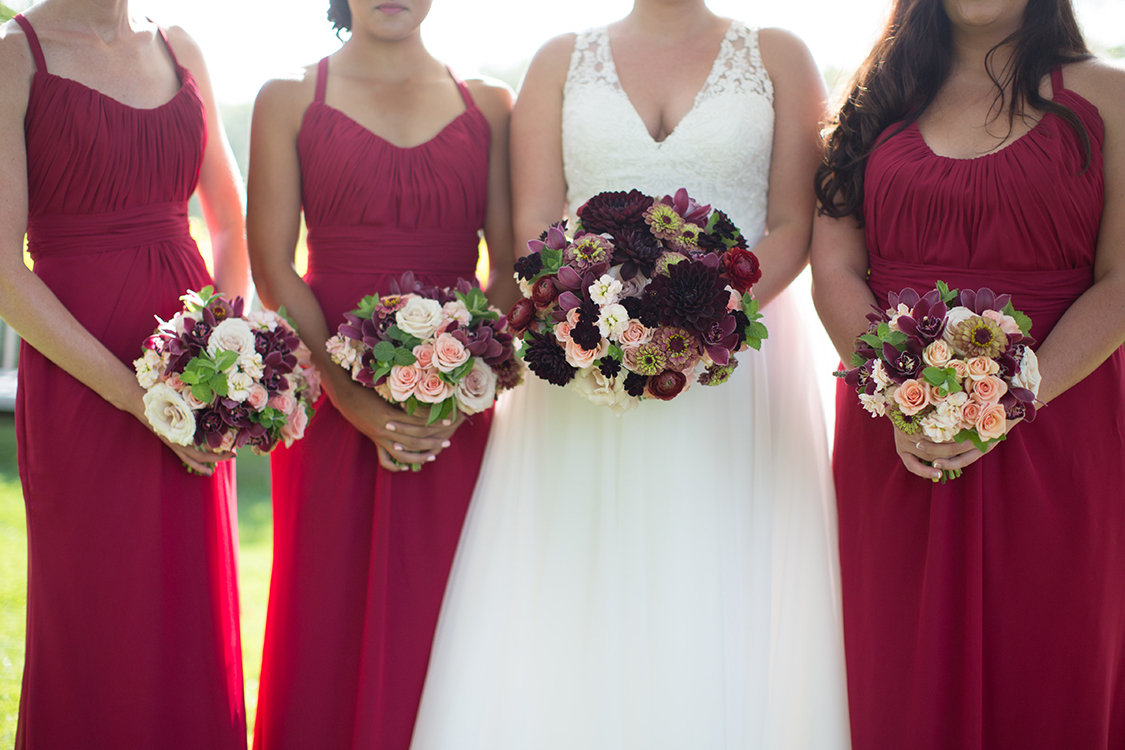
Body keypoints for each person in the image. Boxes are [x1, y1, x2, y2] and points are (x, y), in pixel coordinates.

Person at [409, 2, 850, 747]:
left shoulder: (778, 54)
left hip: (730, 371)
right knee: (579, 587)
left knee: (717, 584)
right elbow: (535, 225)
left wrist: (699, 317)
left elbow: (791, 225)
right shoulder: (557, 59)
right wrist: (598, 320)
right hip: (589, 367)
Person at [811, 0, 1125, 745]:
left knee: (1054, 665)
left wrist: (1008, 402)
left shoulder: (1109, 95)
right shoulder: (871, 101)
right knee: (895, 672)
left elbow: (1120, 280)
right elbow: (834, 270)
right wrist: (902, 405)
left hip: (1061, 421)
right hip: (897, 432)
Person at [245, 0, 516, 747]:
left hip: (457, 397)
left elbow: (509, 265)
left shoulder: (490, 104)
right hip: (330, 384)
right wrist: (344, 392)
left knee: (444, 600)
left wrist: (462, 387)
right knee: (324, 599)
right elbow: (274, 268)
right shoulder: (288, 98)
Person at [0, 0, 250, 747]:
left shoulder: (180, 47)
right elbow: (4, 274)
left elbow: (230, 224)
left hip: (197, 374)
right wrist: (143, 402)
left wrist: (228, 361)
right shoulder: (16, 59)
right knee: (98, 614)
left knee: (192, 607)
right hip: (83, 383)